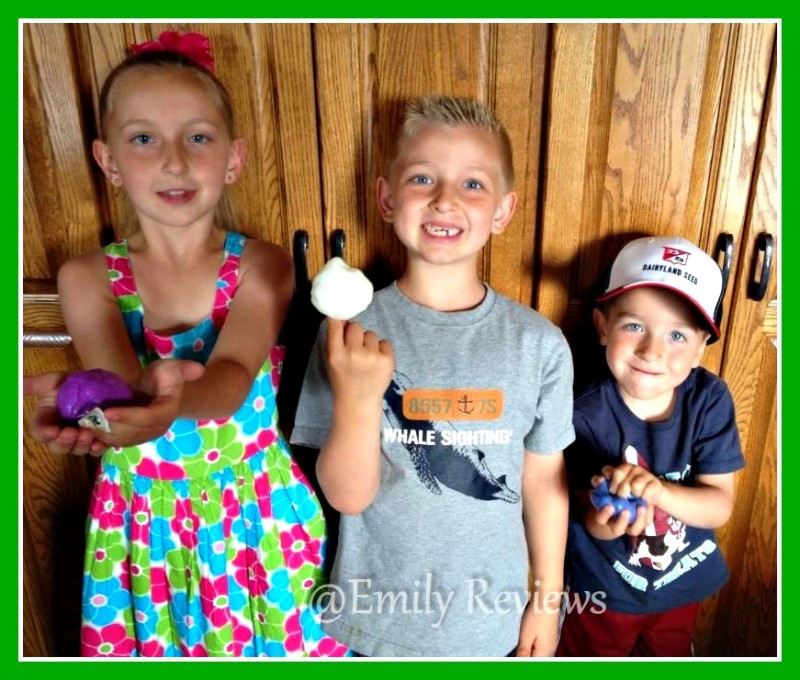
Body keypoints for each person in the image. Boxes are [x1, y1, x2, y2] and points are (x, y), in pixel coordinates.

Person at [23, 31, 348, 658]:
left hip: (255, 516)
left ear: (233, 159)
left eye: (197, 137)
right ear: (108, 161)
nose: (174, 161)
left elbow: (230, 376)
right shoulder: (86, 278)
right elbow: (120, 389)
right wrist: (91, 405)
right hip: (142, 527)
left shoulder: (262, 265)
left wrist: (163, 405)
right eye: (143, 139)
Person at [290, 95, 575, 657]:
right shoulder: (347, 332)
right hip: (378, 624)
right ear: (387, 199)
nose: (445, 199)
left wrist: (548, 600)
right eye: (423, 178)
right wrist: (358, 399)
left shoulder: (539, 345)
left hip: (491, 622)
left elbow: (544, 484)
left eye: (472, 184)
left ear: (502, 211)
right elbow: (347, 497)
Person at [556, 236, 744, 657]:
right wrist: (612, 515)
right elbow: (589, 519)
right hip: (601, 593)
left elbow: (718, 505)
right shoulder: (583, 412)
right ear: (603, 327)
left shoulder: (709, 400)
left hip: (681, 587)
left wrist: (656, 491)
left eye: (677, 335)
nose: (652, 351)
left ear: (700, 350)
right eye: (635, 326)